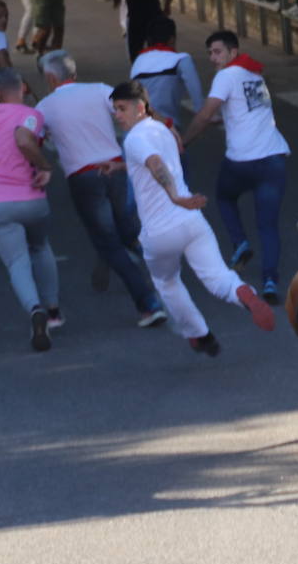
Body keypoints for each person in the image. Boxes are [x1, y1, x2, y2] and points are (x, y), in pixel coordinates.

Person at [111, 79, 275, 356]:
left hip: (160, 231)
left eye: (121, 108)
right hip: (191, 221)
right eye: (114, 109)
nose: (117, 115)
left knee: (167, 282)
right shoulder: (164, 129)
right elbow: (151, 160)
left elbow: (154, 163)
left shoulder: (135, 137)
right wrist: (119, 166)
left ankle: (200, 334)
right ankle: (244, 294)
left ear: (140, 108)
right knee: (218, 277)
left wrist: (174, 196)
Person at [34, 50, 167, 327]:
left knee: (108, 242)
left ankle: (148, 303)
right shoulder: (100, 90)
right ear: (74, 72)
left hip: (83, 177)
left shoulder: (44, 107)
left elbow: (36, 141)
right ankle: (162, 273)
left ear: (49, 77)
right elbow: (131, 111)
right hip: (116, 168)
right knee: (128, 228)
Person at [182, 30, 291, 302]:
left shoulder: (226, 76)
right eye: (210, 53)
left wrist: (182, 142)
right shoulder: (254, 74)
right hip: (274, 158)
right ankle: (269, 282)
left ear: (233, 52)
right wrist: (227, 120)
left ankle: (240, 242)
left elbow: (205, 114)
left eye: (218, 52)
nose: (213, 58)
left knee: (224, 196)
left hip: (242, 161)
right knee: (268, 225)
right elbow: (248, 111)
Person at [0, 67, 62, 352]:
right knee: (40, 247)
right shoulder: (33, 115)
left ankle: (34, 309)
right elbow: (24, 139)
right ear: (23, 88)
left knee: (17, 262)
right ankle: (52, 309)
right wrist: (46, 166)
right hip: (32, 199)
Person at [127, 15, 202, 125]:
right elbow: (197, 98)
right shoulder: (181, 59)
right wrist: (204, 113)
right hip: (167, 125)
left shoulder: (139, 61)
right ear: (172, 39)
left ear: (148, 40)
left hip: (138, 124)